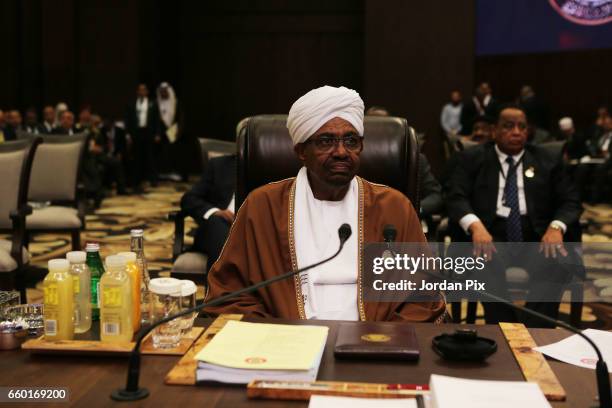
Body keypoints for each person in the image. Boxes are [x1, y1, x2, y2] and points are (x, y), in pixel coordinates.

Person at [204, 85, 446, 322]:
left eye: (351, 141)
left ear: (361, 147)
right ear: (301, 151)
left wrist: (382, 340)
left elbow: (424, 296)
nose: (341, 151)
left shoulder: (394, 207)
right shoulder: (263, 206)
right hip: (289, 345)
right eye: (326, 141)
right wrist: (278, 334)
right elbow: (228, 294)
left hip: (373, 345)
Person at [445, 104, 582, 326]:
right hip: (489, 234)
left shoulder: (548, 160)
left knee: (559, 261)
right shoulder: (472, 158)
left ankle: (534, 330)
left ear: (528, 132)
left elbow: (571, 200)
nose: (516, 132)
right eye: (508, 126)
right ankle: (506, 328)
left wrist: (556, 227)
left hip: (536, 235)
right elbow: (455, 196)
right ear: (494, 130)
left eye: (522, 127)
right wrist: (475, 226)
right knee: (481, 261)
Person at [180, 154, 236, 273]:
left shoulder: (273, 166)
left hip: (252, 231)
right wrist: (215, 212)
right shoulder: (219, 165)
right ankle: (219, 289)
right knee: (218, 226)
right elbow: (189, 199)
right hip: (216, 229)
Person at [125, 83, 160, 191]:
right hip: (136, 133)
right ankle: (137, 180)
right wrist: (128, 133)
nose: (141, 92)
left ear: (147, 92)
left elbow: (156, 120)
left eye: (143, 90)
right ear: (137, 92)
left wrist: (157, 133)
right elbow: (128, 119)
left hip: (148, 132)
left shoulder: (152, 103)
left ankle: (153, 180)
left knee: (150, 157)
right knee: (137, 157)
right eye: (140, 90)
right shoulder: (132, 104)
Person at [156, 82, 186, 181]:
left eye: (165, 91)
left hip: (173, 130)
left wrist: (179, 130)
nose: (163, 94)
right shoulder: (158, 103)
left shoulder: (176, 102)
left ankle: (176, 173)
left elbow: (181, 118)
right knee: (163, 153)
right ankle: (165, 173)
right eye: (162, 92)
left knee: (174, 152)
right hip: (162, 132)